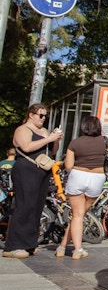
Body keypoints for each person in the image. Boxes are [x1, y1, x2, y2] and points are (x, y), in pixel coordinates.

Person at [3, 103, 63, 259]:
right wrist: (48, 138)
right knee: (24, 205)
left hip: (42, 171)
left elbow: (53, 151)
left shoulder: (44, 131)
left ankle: (29, 243)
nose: (43, 119)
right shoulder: (22, 129)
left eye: (45, 116)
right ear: (31, 115)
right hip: (26, 170)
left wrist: (55, 140)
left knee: (37, 207)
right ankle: (14, 245)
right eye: (40, 115)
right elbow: (27, 147)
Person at [55, 115, 108, 259]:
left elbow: (68, 166)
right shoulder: (104, 141)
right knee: (80, 214)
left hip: (78, 176)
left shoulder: (74, 143)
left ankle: (73, 249)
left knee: (77, 215)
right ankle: (65, 247)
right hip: (97, 177)